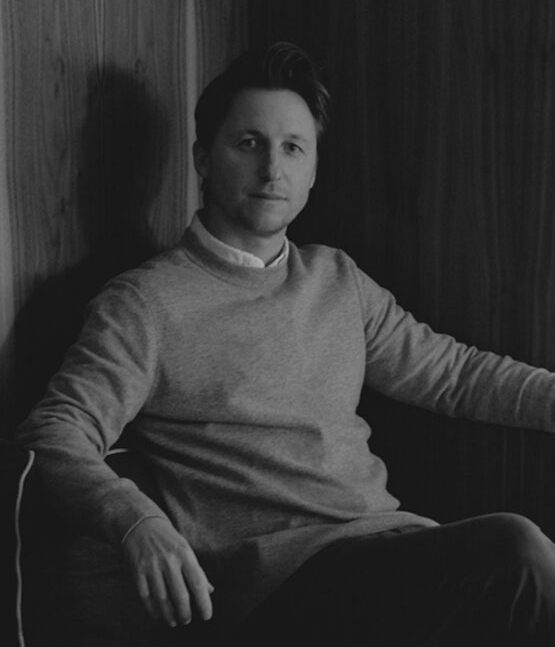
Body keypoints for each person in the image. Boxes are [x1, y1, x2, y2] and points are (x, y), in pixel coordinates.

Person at [15, 41, 555, 646]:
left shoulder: (337, 279)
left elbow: (456, 374)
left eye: (293, 147)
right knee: (516, 550)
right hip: (277, 589)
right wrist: (134, 521)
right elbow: (55, 432)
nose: (272, 170)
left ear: (313, 169)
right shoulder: (146, 302)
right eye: (249, 143)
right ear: (202, 158)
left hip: (386, 551)